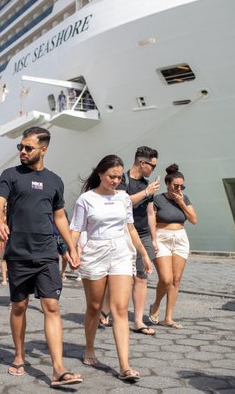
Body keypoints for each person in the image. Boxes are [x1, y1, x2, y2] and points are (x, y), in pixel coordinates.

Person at [0, 126, 83, 388]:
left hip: (46, 253)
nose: (22, 151)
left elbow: (59, 216)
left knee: (51, 306)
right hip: (18, 253)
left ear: (43, 149)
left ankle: (58, 369)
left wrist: (71, 247)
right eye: (20, 147)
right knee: (19, 306)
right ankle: (19, 355)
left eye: (28, 148)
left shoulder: (55, 180)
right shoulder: (10, 175)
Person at [70, 155, 151, 381]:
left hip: (120, 253)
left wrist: (144, 254)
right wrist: (72, 251)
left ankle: (124, 365)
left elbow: (131, 229)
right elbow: (76, 229)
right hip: (94, 253)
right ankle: (89, 347)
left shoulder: (124, 198)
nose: (116, 180)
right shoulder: (85, 199)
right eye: (111, 176)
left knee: (120, 309)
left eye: (118, 176)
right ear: (100, 174)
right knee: (95, 307)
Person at [149, 164, 197, 329]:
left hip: (180, 239)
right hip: (162, 238)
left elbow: (193, 219)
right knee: (166, 279)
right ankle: (155, 306)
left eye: (181, 186)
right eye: (175, 186)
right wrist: (153, 240)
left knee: (176, 280)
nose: (178, 188)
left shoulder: (185, 198)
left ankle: (168, 317)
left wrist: (181, 203)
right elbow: (151, 221)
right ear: (167, 184)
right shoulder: (157, 199)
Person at [124, 146, 160, 335]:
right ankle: (104, 311)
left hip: (144, 234)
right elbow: (123, 201)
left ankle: (138, 321)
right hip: (124, 233)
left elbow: (150, 213)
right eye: (152, 166)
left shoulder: (148, 185)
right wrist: (146, 192)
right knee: (118, 277)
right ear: (142, 163)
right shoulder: (122, 179)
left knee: (141, 277)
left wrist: (154, 239)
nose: (153, 169)